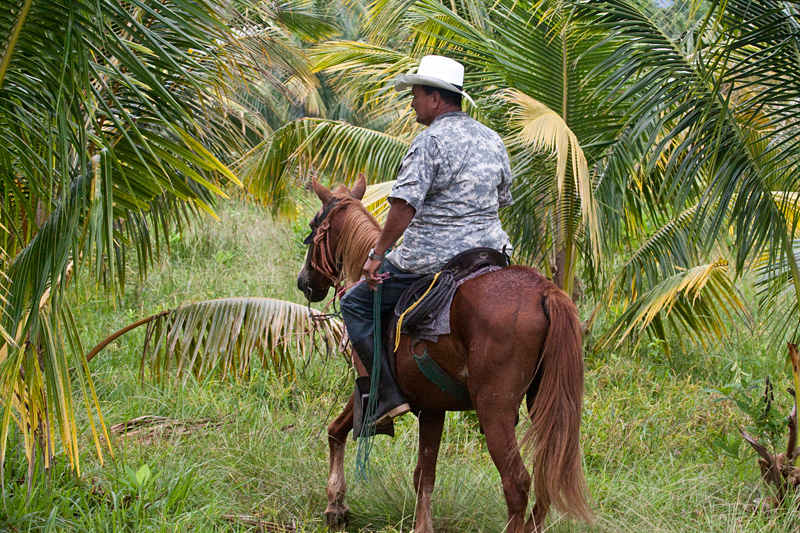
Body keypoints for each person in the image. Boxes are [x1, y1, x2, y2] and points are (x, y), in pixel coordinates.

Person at [340, 55, 514, 429]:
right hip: (490, 254)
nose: (413, 102)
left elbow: (403, 207)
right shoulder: (492, 138)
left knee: (353, 302)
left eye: (416, 95)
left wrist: (377, 254)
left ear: (437, 99)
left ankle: (386, 394)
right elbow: (502, 199)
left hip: (432, 258)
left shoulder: (429, 142)